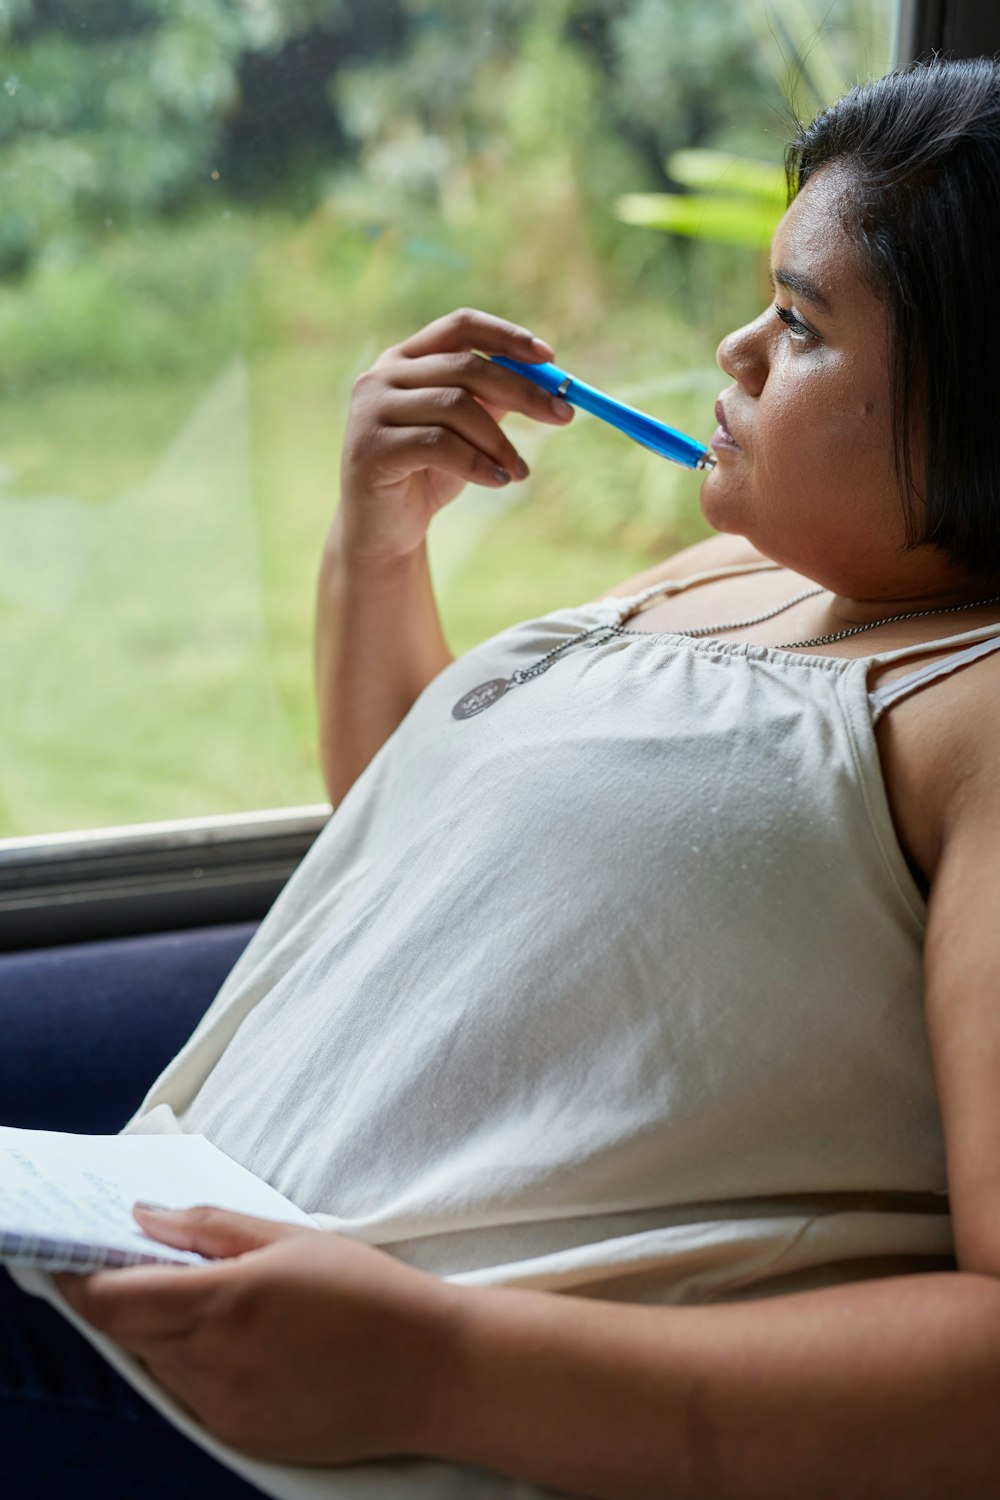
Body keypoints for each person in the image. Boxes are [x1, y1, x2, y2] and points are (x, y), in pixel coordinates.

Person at [5, 55, 1000, 1500]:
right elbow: (422, 859)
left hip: (341, 1435)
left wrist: (437, 1366)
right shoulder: (744, 575)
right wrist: (381, 538)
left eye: (797, 324)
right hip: (185, 1255)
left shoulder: (975, 713)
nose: (733, 352)